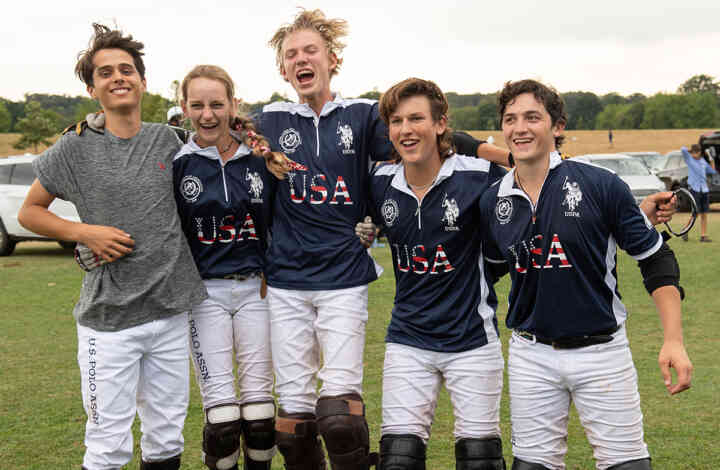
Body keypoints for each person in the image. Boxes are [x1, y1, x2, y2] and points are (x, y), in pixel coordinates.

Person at [259, 9, 513, 470]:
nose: (301, 59)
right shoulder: (269, 121)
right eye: (291, 54)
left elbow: (425, 135)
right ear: (282, 70)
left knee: (339, 420)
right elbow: (217, 154)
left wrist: (506, 153)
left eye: (310, 50)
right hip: (285, 281)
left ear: (332, 59)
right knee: (291, 424)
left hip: (342, 277)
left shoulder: (361, 115)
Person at [17, 23, 207, 470]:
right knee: (108, 443)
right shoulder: (74, 147)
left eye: (127, 70)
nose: (118, 77)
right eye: (106, 72)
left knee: (165, 438)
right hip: (109, 320)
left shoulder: (170, 140)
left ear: (143, 81)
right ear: (92, 87)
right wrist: (86, 234)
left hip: (171, 311)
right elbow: (30, 212)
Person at [478, 79, 692, 470]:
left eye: (532, 117)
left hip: (602, 353)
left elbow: (656, 258)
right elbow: (488, 272)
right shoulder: (493, 200)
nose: (519, 128)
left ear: (557, 126)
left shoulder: (599, 184)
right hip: (531, 355)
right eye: (510, 119)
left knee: (626, 465)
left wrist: (673, 341)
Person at [369, 77, 507, 469]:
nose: (405, 130)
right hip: (408, 339)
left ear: (441, 124)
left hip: (472, 340)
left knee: (480, 461)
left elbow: (535, 170)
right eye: (396, 121)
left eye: (416, 119)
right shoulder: (379, 182)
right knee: (398, 459)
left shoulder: (478, 175)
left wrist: (473, 143)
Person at [173, 65, 281, 470]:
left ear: (232, 105)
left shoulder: (261, 159)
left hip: (258, 290)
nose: (207, 114)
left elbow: (284, 217)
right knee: (221, 421)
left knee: (260, 417)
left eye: (217, 104)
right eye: (197, 105)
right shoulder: (177, 161)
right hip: (203, 295)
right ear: (184, 108)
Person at [681, 143, 716, 242]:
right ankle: (685, 230)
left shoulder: (703, 161)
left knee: (704, 213)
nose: (695, 155)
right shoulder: (689, 159)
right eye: (693, 153)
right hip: (694, 189)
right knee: (695, 214)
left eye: (696, 153)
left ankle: (703, 236)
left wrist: (710, 157)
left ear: (700, 153)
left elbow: (712, 171)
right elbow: (683, 149)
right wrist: (690, 151)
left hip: (704, 190)